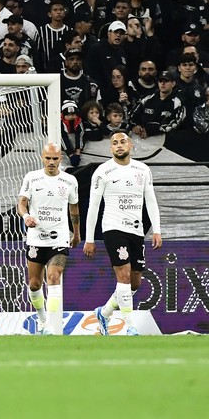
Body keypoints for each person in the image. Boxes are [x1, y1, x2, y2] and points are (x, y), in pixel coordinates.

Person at [85, 133, 163, 336]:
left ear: (130, 145)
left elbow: (151, 200)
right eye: (114, 143)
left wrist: (156, 230)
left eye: (122, 142)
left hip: (136, 230)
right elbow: (93, 206)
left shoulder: (142, 170)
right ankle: (130, 326)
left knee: (135, 282)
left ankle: (104, 312)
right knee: (124, 275)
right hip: (113, 228)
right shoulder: (103, 171)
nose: (119, 145)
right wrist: (89, 238)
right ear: (110, 149)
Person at [17, 143, 80, 336]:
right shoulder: (32, 178)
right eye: (48, 158)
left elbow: (74, 208)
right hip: (36, 238)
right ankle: (43, 320)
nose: (51, 162)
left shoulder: (69, 181)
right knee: (34, 284)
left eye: (55, 158)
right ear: (42, 158)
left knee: (53, 277)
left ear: (61, 159)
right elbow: (21, 203)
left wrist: (76, 233)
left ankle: (52, 327)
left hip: (59, 238)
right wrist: (26, 216)